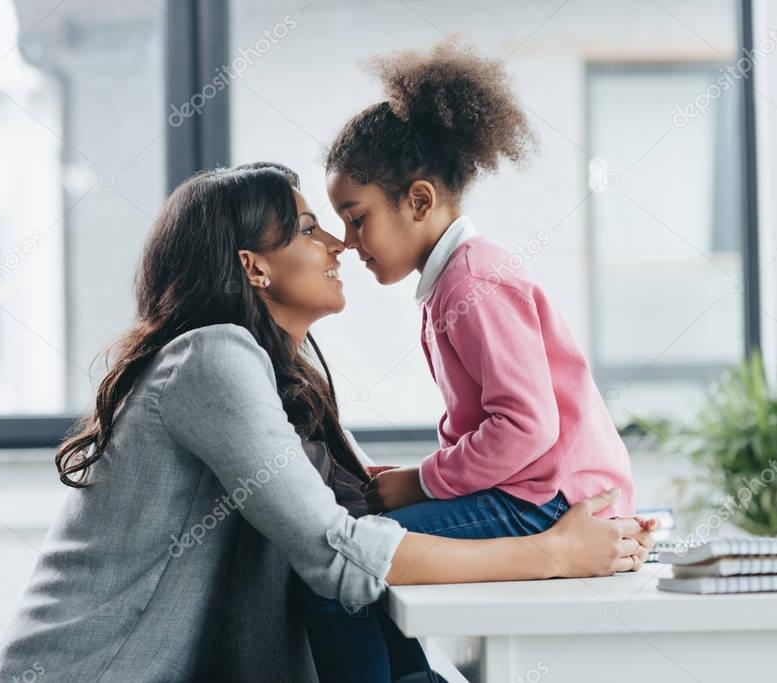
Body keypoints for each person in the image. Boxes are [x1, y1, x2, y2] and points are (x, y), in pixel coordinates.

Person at [0, 163, 654, 683]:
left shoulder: (286, 376)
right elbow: (339, 550)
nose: (338, 241)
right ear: (254, 266)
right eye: (307, 227)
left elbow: (358, 518)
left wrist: (587, 525)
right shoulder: (211, 358)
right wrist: (553, 553)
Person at [302, 41, 642, 682]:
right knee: (356, 554)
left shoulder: (473, 282)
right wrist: (414, 478)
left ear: (420, 201)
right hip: (535, 490)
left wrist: (419, 481)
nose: (348, 244)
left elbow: (525, 428)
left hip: (546, 501)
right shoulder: (454, 280)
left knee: (339, 568)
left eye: (356, 218)